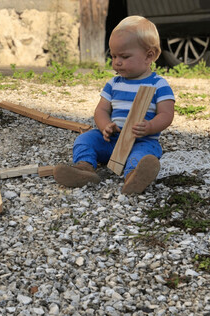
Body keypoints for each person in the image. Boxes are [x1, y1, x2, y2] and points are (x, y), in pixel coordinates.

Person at [53, 15, 175, 194]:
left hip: (142, 141)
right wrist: (105, 126)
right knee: (84, 139)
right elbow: (101, 109)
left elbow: (166, 114)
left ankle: (133, 177)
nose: (117, 61)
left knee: (142, 157)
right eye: (114, 56)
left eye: (124, 56)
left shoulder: (158, 84)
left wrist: (150, 127)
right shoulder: (113, 83)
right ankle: (84, 168)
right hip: (113, 142)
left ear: (149, 56)